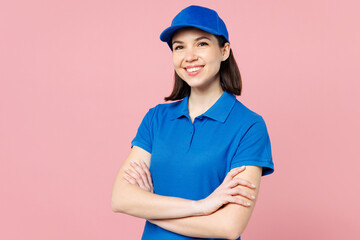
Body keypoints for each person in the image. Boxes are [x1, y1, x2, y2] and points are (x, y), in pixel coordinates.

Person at [111, 5, 275, 240]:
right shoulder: (156, 118)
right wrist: (203, 206)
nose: (189, 56)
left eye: (202, 44)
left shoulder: (249, 126)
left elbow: (228, 226)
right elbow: (120, 199)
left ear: (224, 51)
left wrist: (149, 208)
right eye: (179, 47)